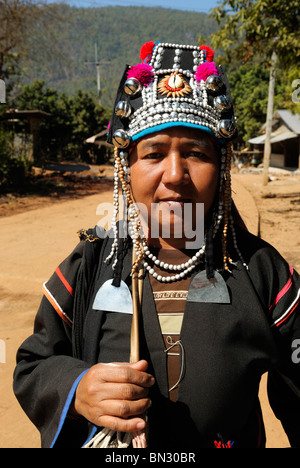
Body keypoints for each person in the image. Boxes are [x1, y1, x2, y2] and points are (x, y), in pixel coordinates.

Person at [13, 41, 300, 449]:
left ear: (221, 168)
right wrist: (77, 388)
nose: (175, 174)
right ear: (126, 169)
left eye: (196, 153)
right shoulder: (92, 261)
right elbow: (33, 365)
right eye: (153, 154)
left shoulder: (262, 271)